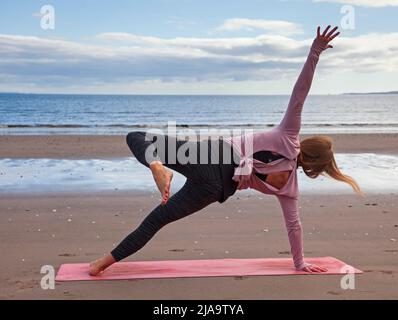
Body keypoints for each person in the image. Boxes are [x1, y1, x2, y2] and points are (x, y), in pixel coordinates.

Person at [89, 25, 362, 276]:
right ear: (317, 166)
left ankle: (157, 167)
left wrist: (315, 50)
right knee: (157, 220)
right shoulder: (290, 189)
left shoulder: (288, 135)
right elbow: (294, 227)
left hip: (212, 156)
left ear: (308, 144)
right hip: (215, 190)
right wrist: (300, 263)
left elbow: (300, 93)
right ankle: (101, 264)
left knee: (136, 136)